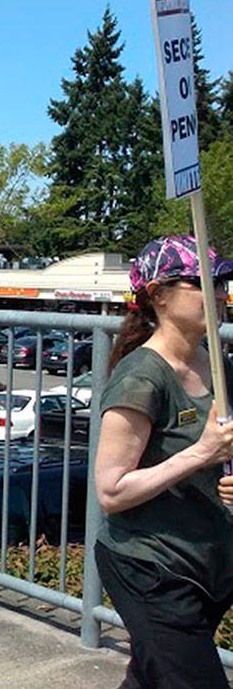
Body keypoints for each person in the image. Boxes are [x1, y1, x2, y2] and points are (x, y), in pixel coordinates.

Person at [94, 235, 233, 687]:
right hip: (151, 568)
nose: (218, 293)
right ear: (158, 296)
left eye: (221, 281)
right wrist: (202, 454)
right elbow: (112, 491)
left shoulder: (216, 363)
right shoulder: (141, 376)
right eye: (203, 282)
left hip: (209, 565)